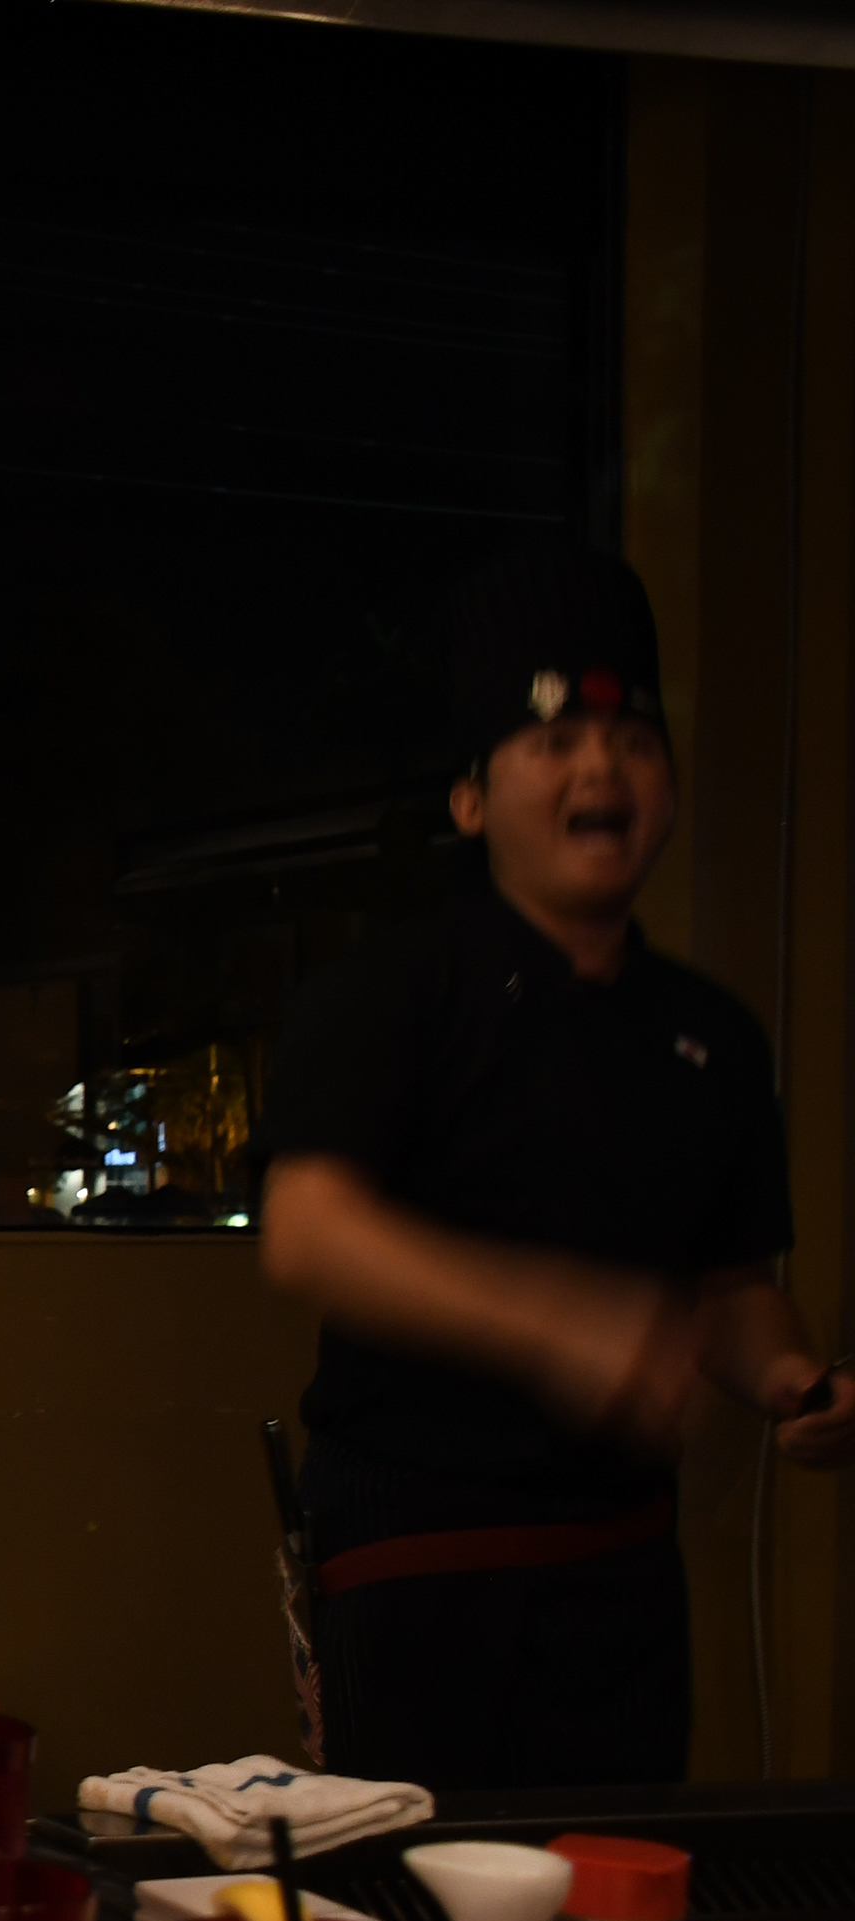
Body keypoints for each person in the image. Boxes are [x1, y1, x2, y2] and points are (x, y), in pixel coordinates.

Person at [255, 542, 855, 1790]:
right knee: (410, 1895)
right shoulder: (392, 989)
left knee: (623, 1887)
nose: (601, 769)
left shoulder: (713, 1034)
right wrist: (563, 1323)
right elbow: (309, 1227)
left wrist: (797, 1382)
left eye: (634, 741)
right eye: (556, 741)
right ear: (472, 800)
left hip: (623, 1575)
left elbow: (733, 1288)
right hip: (414, 1562)